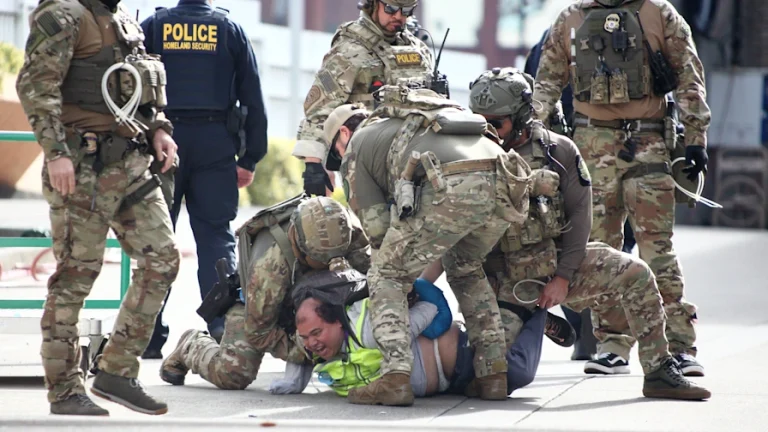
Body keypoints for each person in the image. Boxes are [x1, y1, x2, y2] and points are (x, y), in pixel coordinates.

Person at [467, 67, 709, 400]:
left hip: (555, 268)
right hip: (506, 284)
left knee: (636, 272)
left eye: (497, 123)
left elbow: (581, 215)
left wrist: (563, 278)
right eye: (480, 121)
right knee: (494, 379)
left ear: (521, 116)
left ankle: (658, 370)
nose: (488, 130)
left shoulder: (559, 151)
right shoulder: (471, 154)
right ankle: (534, 323)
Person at [16, 0, 181, 416]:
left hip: (131, 162)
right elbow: (36, 85)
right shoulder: (65, 14)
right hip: (81, 165)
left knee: (162, 259)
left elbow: (139, 88)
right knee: (76, 276)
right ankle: (65, 389)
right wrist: (55, 153)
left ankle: (116, 371)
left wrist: (160, 128)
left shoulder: (124, 19)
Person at [532, 0, 709, 376]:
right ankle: (612, 343)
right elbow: (546, 81)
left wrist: (696, 138)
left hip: (648, 143)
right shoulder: (571, 18)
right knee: (600, 249)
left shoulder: (658, 13)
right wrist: (534, 138)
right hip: (590, 145)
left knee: (656, 247)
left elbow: (689, 74)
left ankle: (679, 344)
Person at [327, 86, 533, 405]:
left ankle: (395, 377)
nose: (338, 160)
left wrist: (398, 283)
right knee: (466, 270)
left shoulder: (356, 147)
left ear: (343, 133)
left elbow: (378, 232)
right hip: (507, 180)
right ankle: (492, 375)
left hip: (454, 181)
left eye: (334, 152)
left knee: (387, 275)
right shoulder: (408, 123)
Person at [139, 0, 269, 356]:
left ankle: (146, 336)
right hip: (215, 144)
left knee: (156, 238)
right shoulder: (229, 31)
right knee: (215, 238)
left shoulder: (153, 26)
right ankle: (223, 328)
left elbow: (132, 89)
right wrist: (250, 157)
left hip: (162, 143)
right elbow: (252, 97)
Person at [158, 196, 372, 390]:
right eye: (322, 261)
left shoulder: (346, 231)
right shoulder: (269, 267)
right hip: (262, 307)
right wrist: (310, 350)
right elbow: (259, 332)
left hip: (318, 302)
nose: (332, 265)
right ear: (297, 244)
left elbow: (370, 280)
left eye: (337, 257)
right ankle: (191, 345)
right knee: (233, 373)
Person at [271, 269, 547, 399]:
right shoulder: (314, 344)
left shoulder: (369, 329)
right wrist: (292, 381)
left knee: (519, 372)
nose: (312, 343)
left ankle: (537, 312)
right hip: (454, 387)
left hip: (464, 355)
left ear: (338, 322)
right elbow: (298, 354)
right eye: (305, 337)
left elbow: (429, 308)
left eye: (317, 333)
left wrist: (411, 312)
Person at [293, 0, 435, 197]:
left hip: (414, 163)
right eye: (391, 9)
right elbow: (319, 110)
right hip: (367, 163)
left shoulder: (419, 51)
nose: (398, 16)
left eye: (407, 11)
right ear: (373, 4)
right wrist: (314, 167)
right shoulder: (350, 50)